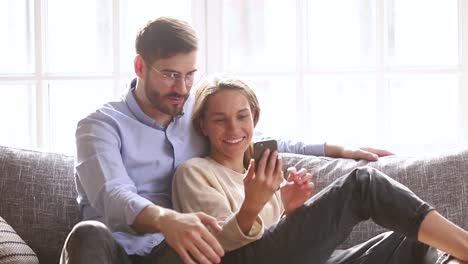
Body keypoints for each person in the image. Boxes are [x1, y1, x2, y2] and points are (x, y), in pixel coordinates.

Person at [60, 17, 396, 264]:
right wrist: (167, 219)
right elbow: (113, 197)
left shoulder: (197, 113)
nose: (182, 87)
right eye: (170, 75)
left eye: (190, 75)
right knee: (88, 233)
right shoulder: (99, 126)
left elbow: (250, 137)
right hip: (121, 253)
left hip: (182, 253)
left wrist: (336, 149)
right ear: (140, 66)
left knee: (227, 247)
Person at [172, 76, 468, 264]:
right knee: (362, 184)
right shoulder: (194, 172)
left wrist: (290, 209)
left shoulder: (262, 171)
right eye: (220, 120)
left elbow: (286, 244)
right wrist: (254, 204)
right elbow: (216, 248)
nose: (234, 128)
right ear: (203, 126)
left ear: (254, 118)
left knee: (417, 239)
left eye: (242, 116)